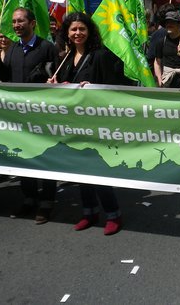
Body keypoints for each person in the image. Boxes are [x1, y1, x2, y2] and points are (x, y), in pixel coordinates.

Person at [48, 12, 131, 235]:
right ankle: (89, 212)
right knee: (80, 171)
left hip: (96, 123)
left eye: (81, 29)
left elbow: (115, 87)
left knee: (97, 169)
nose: (77, 33)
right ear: (66, 32)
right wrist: (55, 85)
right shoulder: (65, 58)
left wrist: (93, 87)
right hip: (74, 124)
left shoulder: (101, 55)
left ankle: (113, 214)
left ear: (89, 31)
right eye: (73, 29)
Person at [0, 7, 59, 225]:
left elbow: (56, 79)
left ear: (32, 24)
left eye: (21, 21)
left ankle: (47, 202)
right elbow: (5, 77)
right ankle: (29, 198)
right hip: (18, 116)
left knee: (45, 156)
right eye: (14, 22)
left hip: (42, 114)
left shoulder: (47, 48)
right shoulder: (12, 50)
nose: (16, 25)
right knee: (23, 157)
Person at [153, 9, 180, 88]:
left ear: (179, 25)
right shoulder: (161, 42)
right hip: (167, 81)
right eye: (167, 22)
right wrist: (159, 80)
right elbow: (157, 62)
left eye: (172, 22)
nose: (169, 25)